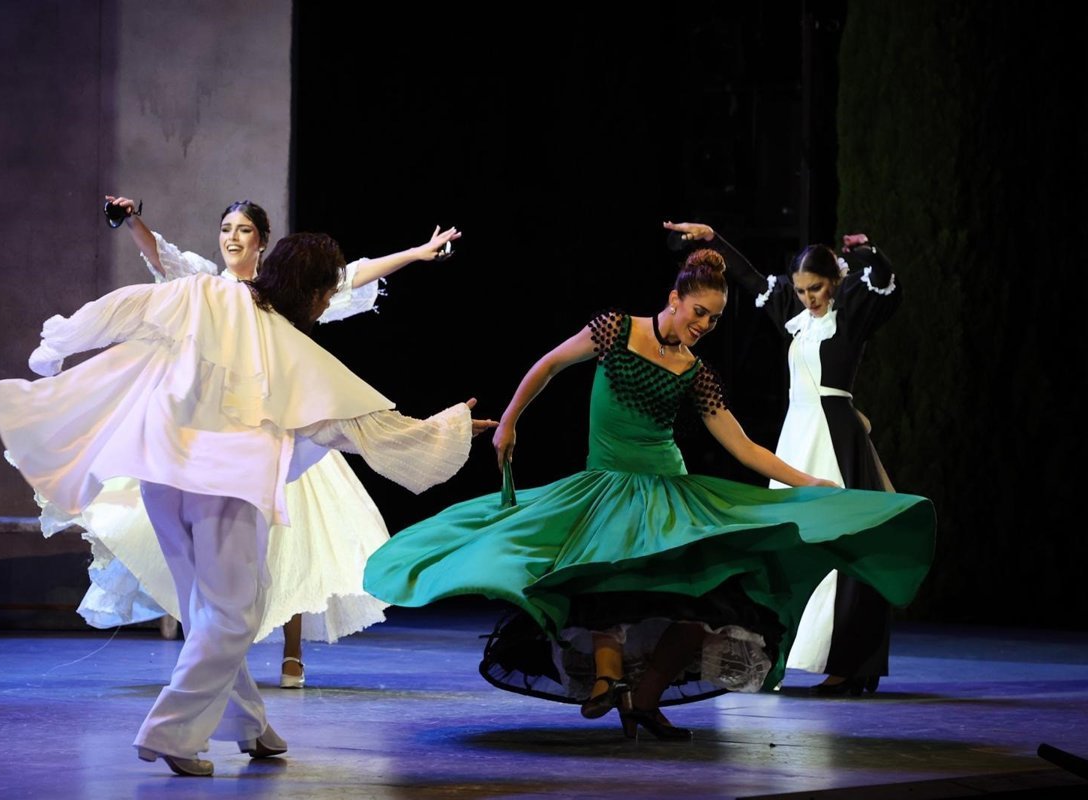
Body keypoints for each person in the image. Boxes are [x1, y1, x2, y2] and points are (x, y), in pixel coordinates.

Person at [362, 238, 935, 739]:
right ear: (675, 299)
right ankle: (609, 680)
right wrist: (511, 420)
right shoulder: (615, 330)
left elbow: (745, 448)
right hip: (606, 487)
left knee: (700, 598)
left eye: (714, 319)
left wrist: (812, 483)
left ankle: (646, 697)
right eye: (699, 313)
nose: (704, 326)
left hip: (666, 491)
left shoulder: (696, 372)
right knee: (604, 580)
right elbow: (550, 364)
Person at [0, 232, 495, 775]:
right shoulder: (289, 345)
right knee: (232, 613)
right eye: (324, 292)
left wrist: (58, 344)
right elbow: (354, 424)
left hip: (164, 473)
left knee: (210, 608)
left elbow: (123, 306)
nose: (323, 304)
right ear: (310, 290)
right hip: (224, 484)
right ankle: (171, 733)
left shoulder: (202, 293)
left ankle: (248, 724)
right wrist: (448, 429)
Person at [59, 196, 459, 692]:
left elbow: (348, 278)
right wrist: (132, 220)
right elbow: (164, 260)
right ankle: (209, 658)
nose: (232, 237)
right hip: (217, 432)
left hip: (284, 427)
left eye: (244, 230)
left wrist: (417, 253)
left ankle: (288, 657)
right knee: (210, 550)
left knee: (292, 538)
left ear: (262, 241)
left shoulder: (283, 294)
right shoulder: (209, 286)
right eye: (226, 227)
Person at [664, 221, 904, 696]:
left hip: (834, 439)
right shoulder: (797, 318)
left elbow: (883, 283)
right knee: (790, 545)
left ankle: (852, 663)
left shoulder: (849, 313)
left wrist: (868, 253)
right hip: (797, 438)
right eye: (800, 290)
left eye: (815, 288)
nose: (808, 298)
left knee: (844, 546)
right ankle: (786, 655)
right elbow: (750, 278)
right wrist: (713, 239)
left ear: (833, 282)